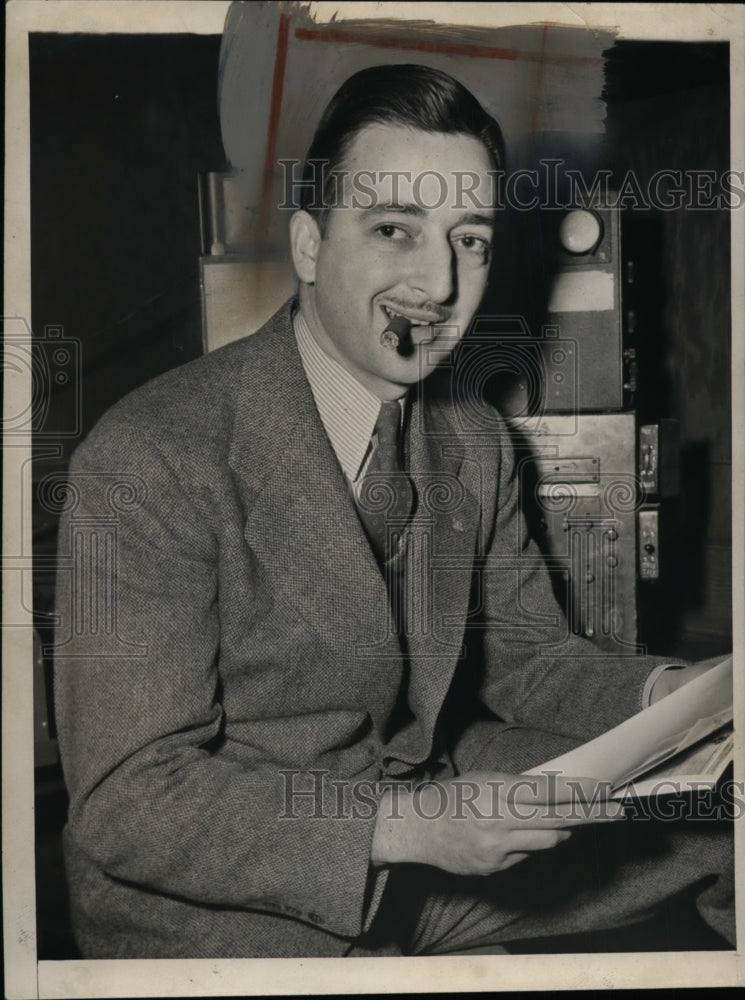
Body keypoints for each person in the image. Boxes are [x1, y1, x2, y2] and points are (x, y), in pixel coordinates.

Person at [53, 64, 733, 959]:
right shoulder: (150, 455)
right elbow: (130, 798)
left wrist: (674, 696)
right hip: (221, 916)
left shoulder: (474, 438)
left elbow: (524, 657)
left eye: (470, 239)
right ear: (306, 244)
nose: (439, 284)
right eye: (392, 230)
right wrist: (405, 824)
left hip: (423, 835)